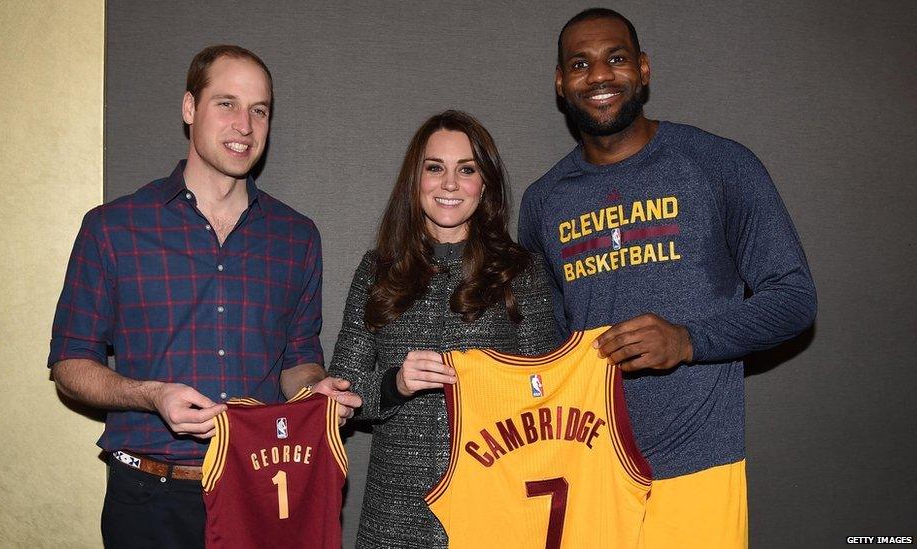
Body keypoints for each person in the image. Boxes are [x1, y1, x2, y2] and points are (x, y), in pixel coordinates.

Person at [518, 8, 817, 549]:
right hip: (585, 465)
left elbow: (794, 299)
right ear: (561, 83)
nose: (600, 76)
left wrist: (686, 341)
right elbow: (545, 338)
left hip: (698, 463)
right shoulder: (543, 200)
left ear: (644, 68)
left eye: (616, 58)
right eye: (580, 64)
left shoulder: (719, 164)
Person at [48, 44, 360, 548]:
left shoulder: (296, 236)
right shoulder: (113, 227)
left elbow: (299, 359)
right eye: (227, 103)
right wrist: (151, 395)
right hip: (148, 497)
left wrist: (315, 393)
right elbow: (69, 365)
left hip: (261, 491)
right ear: (189, 108)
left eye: (259, 110)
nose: (245, 124)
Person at [328, 110, 558, 548]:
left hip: (494, 504)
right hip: (395, 511)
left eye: (466, 170)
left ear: (484, 183)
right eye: (435, 168)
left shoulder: (520, 273)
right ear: (415, 181)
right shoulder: (378, 270)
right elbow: (342, 389)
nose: (449, 184)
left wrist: (498, 382)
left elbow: (544, 391)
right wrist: (396, 384)